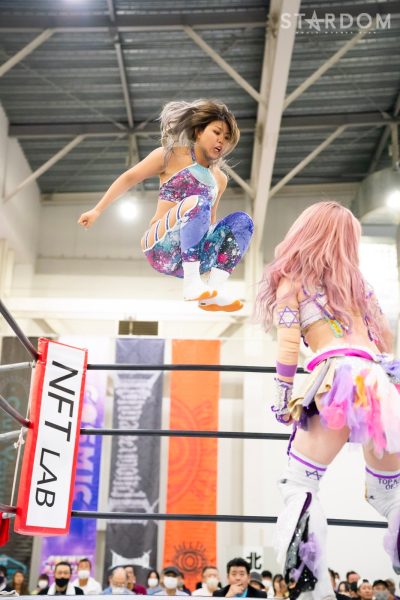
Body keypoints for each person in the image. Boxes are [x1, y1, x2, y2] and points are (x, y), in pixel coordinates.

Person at [255, 201, 400, 600]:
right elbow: (383, 341)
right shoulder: (359, 285)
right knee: (389, 493)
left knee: (299, 483)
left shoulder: (292, 281)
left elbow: (288, 347)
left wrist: (282, 399)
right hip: (382, 382)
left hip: (338, 379)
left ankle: (312, 589)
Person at [78, 99, 254, 312]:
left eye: (226, 138)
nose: (221, 141)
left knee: (243, 221)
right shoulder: (171, 155)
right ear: (198, 132)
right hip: (160, 247)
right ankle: (191, 284)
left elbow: (210, 220)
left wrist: (211, 264)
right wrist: (97, 209)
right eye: (217, 132)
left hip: (193, 257)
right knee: (198, 202)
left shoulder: (220, 179)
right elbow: (129, 178)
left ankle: (212, 291)